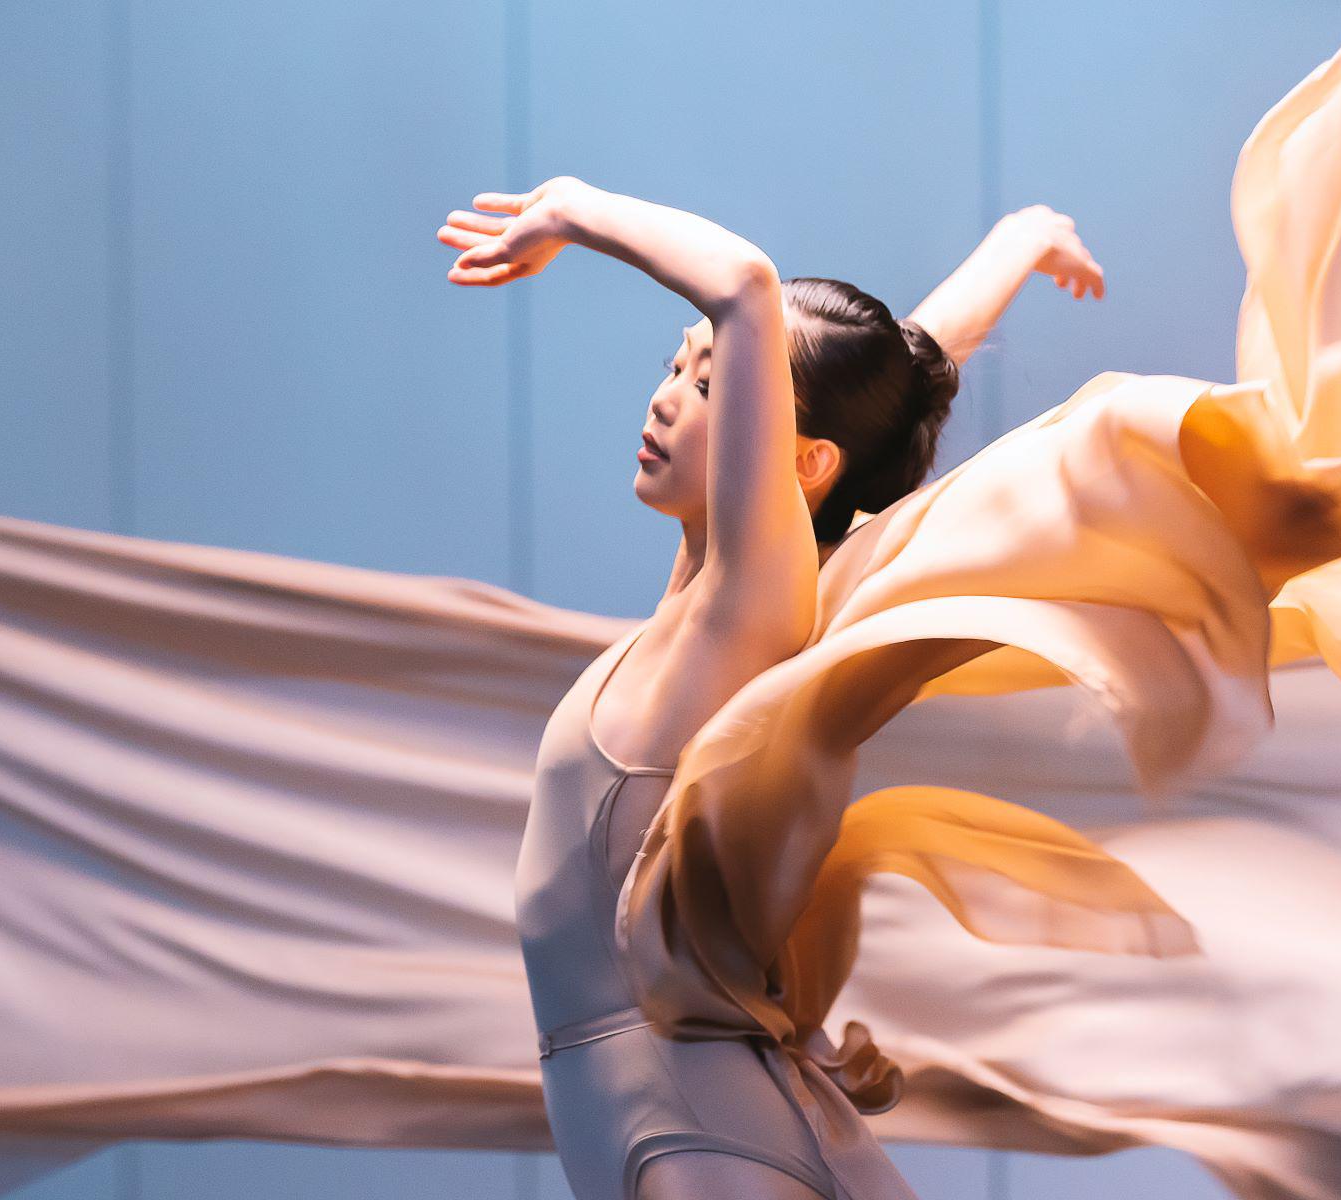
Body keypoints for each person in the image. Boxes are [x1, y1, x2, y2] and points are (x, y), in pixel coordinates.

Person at [437, 183, 1105, 1199]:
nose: (666, 396)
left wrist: (569, 208)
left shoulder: (748, 611)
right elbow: (899, 378)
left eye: (711, 383)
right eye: (673, 367)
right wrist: (1021, 241)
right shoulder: (712, 604)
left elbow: (746, 285)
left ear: (803, 463)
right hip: (679, 1116)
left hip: (695, 1129)